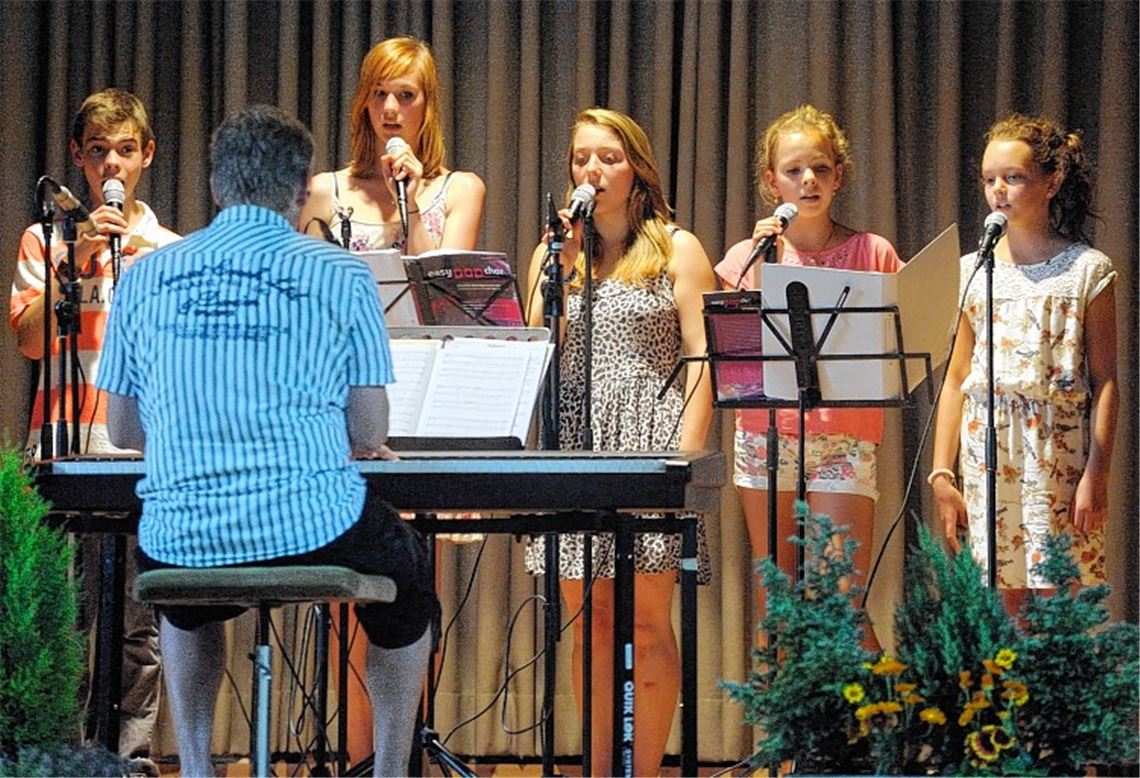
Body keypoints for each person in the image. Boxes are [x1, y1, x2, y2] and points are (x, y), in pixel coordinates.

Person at [95, 105, 438, 777]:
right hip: (314, 525)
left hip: (181, 534)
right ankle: (392, 770)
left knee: (191, 604)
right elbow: (370, 433)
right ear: (303, 185)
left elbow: (124, 430)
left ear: (217, 186)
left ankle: (195, 765)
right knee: (409, 580)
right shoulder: (342, 275)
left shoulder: (142, 278)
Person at [522, 107, 717, 776]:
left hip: (651, 443)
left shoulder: (677, 247)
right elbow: (535, 355)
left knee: (646, 621)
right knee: (594, 620)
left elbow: (704, 358)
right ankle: (600, 767)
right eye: (581, 158)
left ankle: (644, 766)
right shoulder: (554, 257)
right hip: (575, 447)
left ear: (636, 167)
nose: (591, 170)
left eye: (606, 157)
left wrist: (685, 462)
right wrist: (562, 262)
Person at [8, 87, 180, 769]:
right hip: (61, 446)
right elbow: (26, 338)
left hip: (139, 450)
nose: (113, 163)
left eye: (126, 150)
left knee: (139, 626)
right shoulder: (44, 239)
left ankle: (130, 758)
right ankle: (61, 756)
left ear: (147, 157)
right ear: (79, 157)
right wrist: (76, 257)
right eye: (99, 150)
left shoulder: (168, 249)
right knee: (63, 618)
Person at [714, 105, 903, 650]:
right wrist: (760, 262)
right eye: (794, 171)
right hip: (765, 435)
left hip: (843, 435)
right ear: (771, 181)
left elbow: (896, 344)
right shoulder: (745, 256)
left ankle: (867, 731)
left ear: (839, 174)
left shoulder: (873, 252)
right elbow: (737, 356)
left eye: (820, 168)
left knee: (839, 596)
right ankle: (789, 731)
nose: (808, 181)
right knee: (778, 597)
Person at [931, 113, 1117, 614]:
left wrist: (1097, 473)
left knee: (1055, 601)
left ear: (1051, 182)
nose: (998, 191)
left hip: (1056, 452)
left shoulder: (1085, 269)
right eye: (990, 180)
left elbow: (1106, 380)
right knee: (1001, 606)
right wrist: (941, 474)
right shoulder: (972, 271)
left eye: (1013, 178)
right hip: (988, 449)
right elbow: (955, 378)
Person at [299, 36, 485, 253]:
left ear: (428, 105)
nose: (389, 107)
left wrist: (410, 205)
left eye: (405, 95)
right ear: (365, 103)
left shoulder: (461, 190)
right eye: (379, 93)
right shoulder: (324, 191)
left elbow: (440, 284)